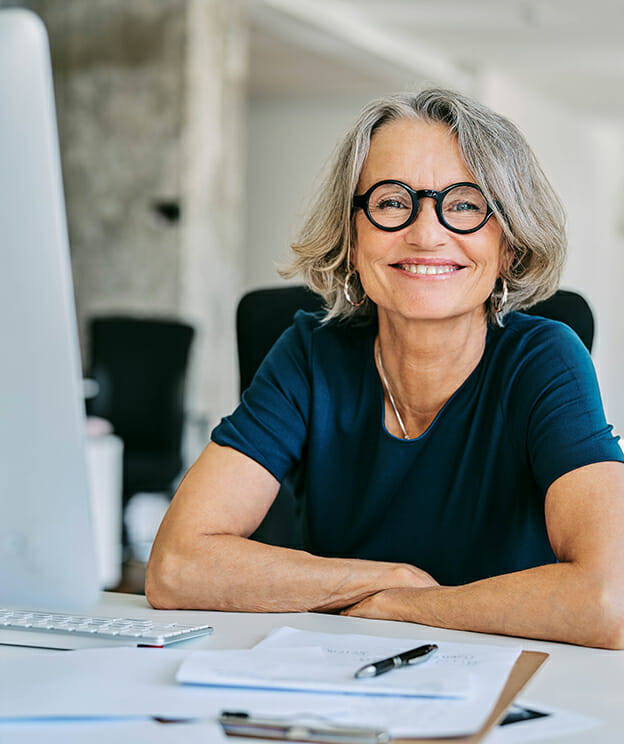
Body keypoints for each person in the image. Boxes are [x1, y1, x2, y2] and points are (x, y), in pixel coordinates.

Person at [146, 88, 624, 649]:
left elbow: (609, 599)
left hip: (503, 685)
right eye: (393, 202)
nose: (425, 233)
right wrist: (384, 577)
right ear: (352, 237)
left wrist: (411, 606)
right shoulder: (310, 352)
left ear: (510, 247)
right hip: (338, 672)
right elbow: (176, 566)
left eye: (466, 203)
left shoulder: (545, 360)